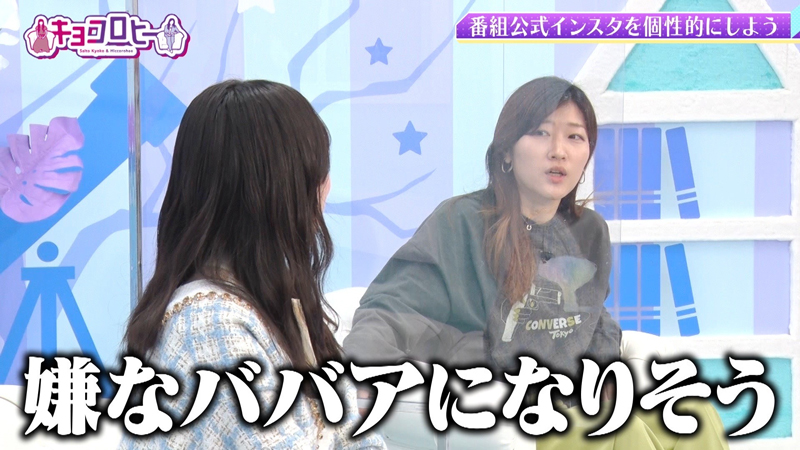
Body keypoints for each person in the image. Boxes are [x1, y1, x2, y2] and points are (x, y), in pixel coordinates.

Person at [343, 76, 728, 449]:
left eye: (574, 137)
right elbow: (388, 310)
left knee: (694, 416)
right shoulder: (459, 223)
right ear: (506, 152)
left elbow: (594, 320)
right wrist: (365, 374)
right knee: (619, 433)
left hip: (574, 398)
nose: (558, 151)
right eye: (541, 133)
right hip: (507, 413)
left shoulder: (589, 230)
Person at [120, 80, 386, 449]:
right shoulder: (210, 326)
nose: (327, 187)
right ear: (284, 190)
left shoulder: (265, 305)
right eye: (316, 172)